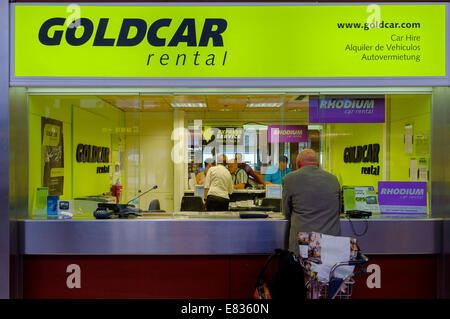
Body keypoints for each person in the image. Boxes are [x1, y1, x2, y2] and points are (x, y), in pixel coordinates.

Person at [282, 149, 341, 257]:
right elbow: (338, 209)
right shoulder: (333, 179)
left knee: (302, 272)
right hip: (331, 243)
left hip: (303, 243)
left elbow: (286, 211)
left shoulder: (289, 178)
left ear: (298, 165)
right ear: (318, 164)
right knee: (328, 273)